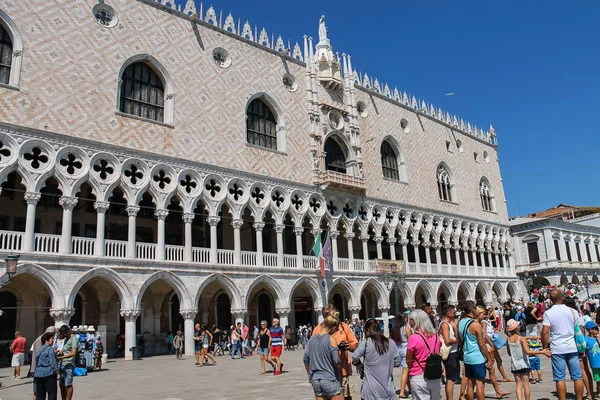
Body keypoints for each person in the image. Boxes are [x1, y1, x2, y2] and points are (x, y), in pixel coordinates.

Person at [541, 289, 584, 400]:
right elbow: (581, 329)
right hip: (572, 347)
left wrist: (545, 347)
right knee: (577, 377)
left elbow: (545, 332)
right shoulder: (572, 311)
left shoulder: (548, 313)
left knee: (559, 378)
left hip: (557, 348)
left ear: (550, 300)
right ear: (562, 298)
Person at [312, 304, 358, 400]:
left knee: (346, 396)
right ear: (325, 317)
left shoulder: (343, 326)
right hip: (326, 373)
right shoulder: (317, 330)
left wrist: (348, 347)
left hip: (343, 371)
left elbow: (354, 345)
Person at [353, 318, 400, 400]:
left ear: (367, 330)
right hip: (388, 391)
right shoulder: (391, 342)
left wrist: (358, 364)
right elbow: (398, 361)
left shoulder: (366, 342)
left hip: (370, 392)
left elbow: (355, 356)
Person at [505, 319, 551, 400]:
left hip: (515, 364)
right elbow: (528, 352)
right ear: (516, 328)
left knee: (518, 384)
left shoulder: (508, 339)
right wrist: (542, 352)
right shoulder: (521, 339)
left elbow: (509, 353)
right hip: (524, 364)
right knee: (526, 384)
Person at [458, 301, 494, 400]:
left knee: (470, 383)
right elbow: (482, 344)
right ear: (473, 310)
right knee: (480, 384)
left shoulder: (460, 322)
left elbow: (459, 339)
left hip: (467, 357)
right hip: (477, 357)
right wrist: (488, 358)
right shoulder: (476, 324)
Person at [303, 311, 342, 400]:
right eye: (336, 330)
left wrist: (310, 373)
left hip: (316, 380)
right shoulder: (331, 339)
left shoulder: (311, 339)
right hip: (329, 378)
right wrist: (339, 368)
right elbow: (336, 360)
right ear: (333, 328)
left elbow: (305, 359)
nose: (335, 332)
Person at [406, 309, 442, 400]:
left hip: (419, 375)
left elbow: (408, 360)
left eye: (411, 320)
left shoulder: (414, 338)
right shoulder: (436, 336)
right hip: (435, 375)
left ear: (417, 321)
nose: (409, 322)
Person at [439, 305, 460, 400]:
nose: (455, 314)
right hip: (450, 354)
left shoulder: (449, 324)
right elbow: (447, 340)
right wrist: (458, 340)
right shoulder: (444, 324)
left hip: (453, 353)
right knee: (450, 380)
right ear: (448, 313)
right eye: (453, 312)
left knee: (452, 379)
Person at [34, 331, 59, 400]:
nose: (53, 340)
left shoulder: (40, 349)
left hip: (38, 374)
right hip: (48, 374)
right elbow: (53, 363)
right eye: (52, 339)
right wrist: (57, 373)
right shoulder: (50, 349)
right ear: (46, 340)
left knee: (40, 396)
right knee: (52, 395)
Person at [57, 325, 77, 400]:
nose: (62, 335)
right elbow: (64, 350)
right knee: (61, 384)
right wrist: (59, 352)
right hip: (62, 363)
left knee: (68, 384)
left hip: (69, 364)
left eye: (63, 334)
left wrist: (61, 357)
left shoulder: (73, 339)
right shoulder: (66, 339)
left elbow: (73, 353)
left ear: (67, 332)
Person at [585, 321, 600, 396]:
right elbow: (585, 351)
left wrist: (598, 339)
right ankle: (598, 390)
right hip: (594, 363)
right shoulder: (586, 339)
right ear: (590, 330)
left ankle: (598, 391)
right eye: (596, 328)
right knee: (597, 379)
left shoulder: (598, 338)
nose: (598, 330)